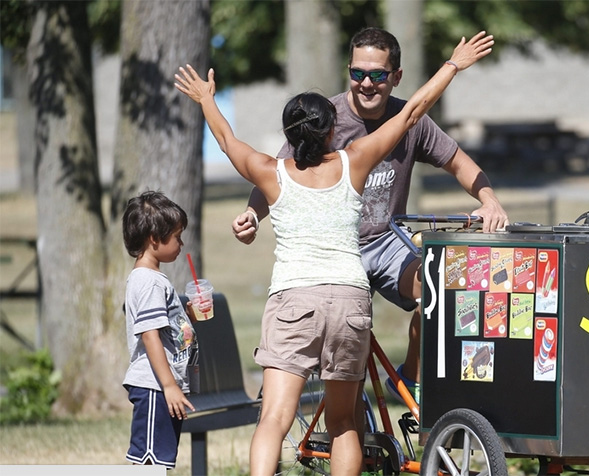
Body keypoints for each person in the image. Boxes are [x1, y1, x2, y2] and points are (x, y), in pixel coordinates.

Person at [174, 30, 493, 476]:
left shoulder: (271, 172)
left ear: (290, 133)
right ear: (331, 132)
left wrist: (207, 99)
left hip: (293, 301)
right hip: (348, 299)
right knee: (345, 423)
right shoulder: (354, 161)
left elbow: (227, 140)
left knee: (273, 419)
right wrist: (452, 66)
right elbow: (414, 110)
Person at [232, 27, 509, 403]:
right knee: (341, 367)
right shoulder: (324, 121)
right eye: (357, 73)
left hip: (389, 243)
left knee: (443, 293)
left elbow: (459, 163)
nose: (366, 83)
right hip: (337, 253)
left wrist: (489, 198)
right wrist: (252, 213)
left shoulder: (410, 119)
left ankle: (409, 378)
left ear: (396, 76)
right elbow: (277, 173)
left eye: (377, 75)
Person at [121, 190, 198, 468]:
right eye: (177, 236)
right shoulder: (149, 282)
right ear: (154, 239)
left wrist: (187, 317)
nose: (181, 243)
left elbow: (163, 329)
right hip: (155, 387)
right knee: (149, 464)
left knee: (158, 462)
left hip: (162, 387)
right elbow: (149, 334)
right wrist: (169, 386)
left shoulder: (152, 279)